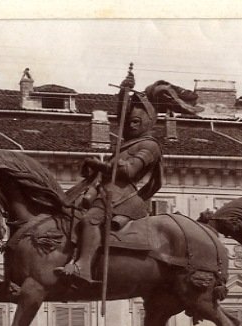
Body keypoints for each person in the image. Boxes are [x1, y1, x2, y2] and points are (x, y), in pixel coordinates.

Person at [56, 76, 164, 284]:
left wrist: (100, 165)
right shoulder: (127, 144)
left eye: (136, 122)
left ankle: (84, 267)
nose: (131, 125)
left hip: (123, 196)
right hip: (106, 191)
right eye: (129, 122)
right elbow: (120, 115)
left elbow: (129, 171)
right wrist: (124, 92)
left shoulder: (150, 146)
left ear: (147, 122)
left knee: (90, 220)